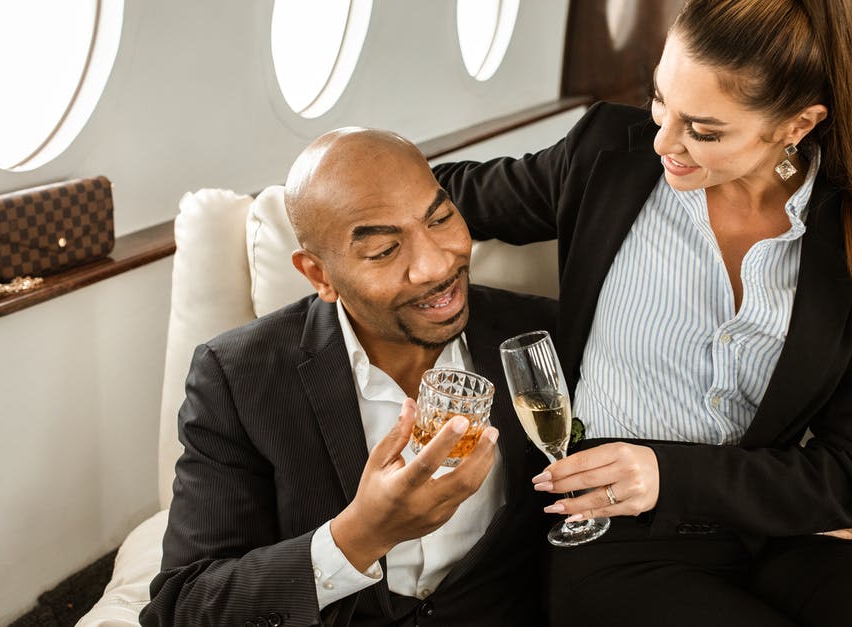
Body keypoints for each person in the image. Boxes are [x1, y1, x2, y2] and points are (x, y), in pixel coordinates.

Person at [433, 0, 852, 625]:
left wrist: (670, 473)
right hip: (612, 534)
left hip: (774, 534)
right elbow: (438, 198)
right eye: (660, 99)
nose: (663, 142)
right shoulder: (606, 156)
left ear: (796, 125)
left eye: (704, 130)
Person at [140, 128, 556, 627]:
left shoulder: (548, 337)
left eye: (441, 219)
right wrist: (358, 536)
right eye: (383, 250)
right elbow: (182, 606)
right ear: (319, 276)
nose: (435, 265)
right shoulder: (236, 377)